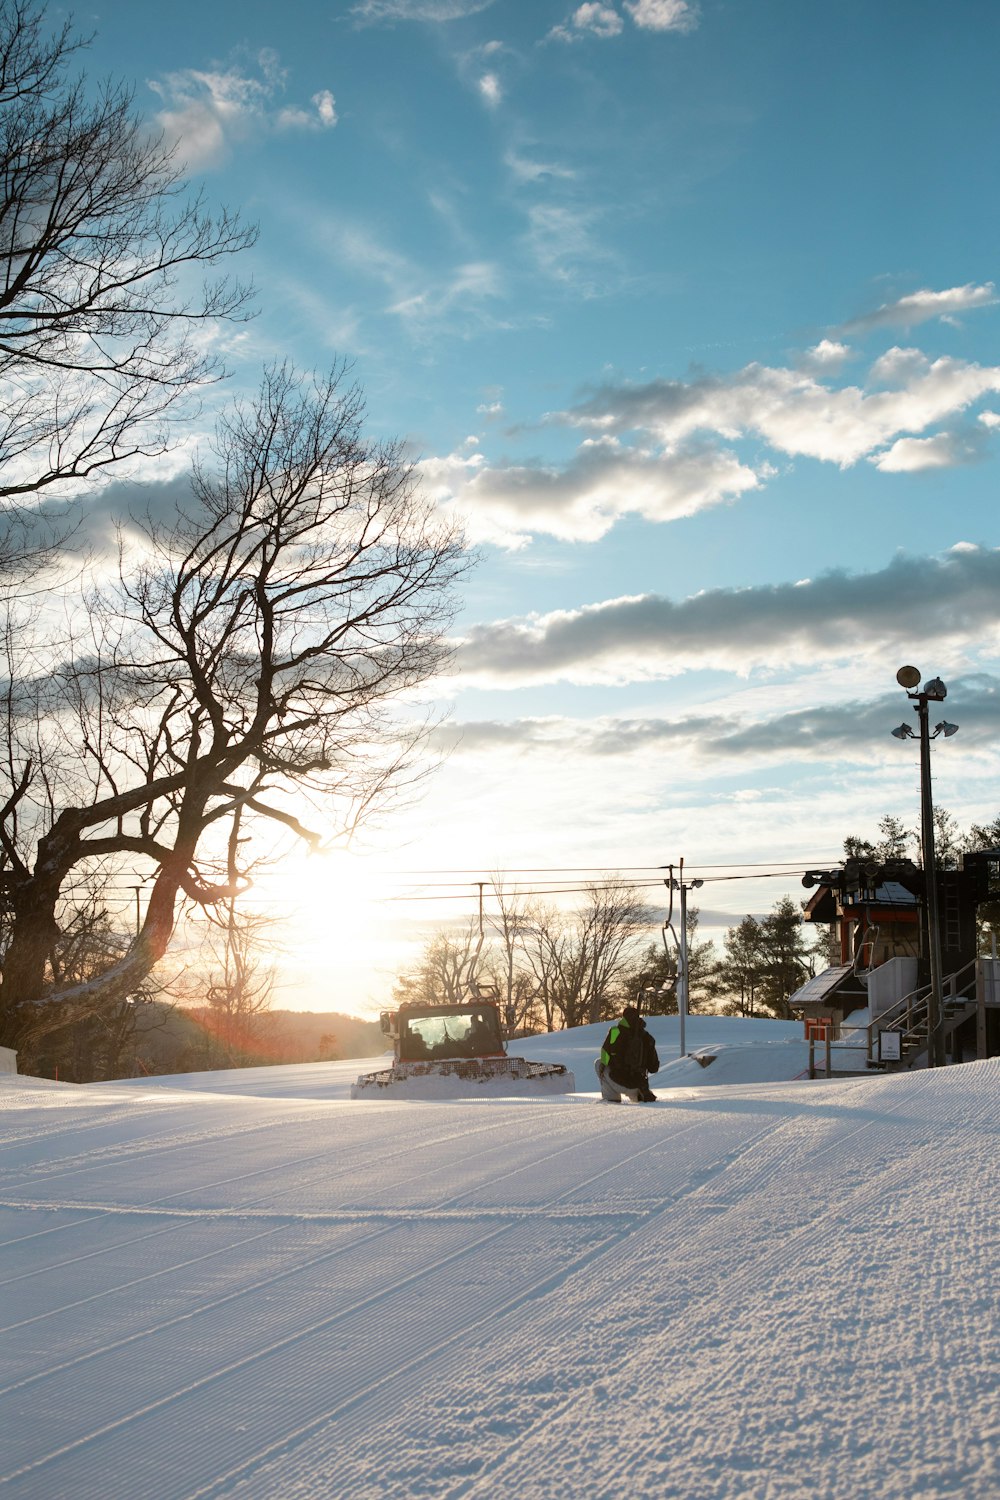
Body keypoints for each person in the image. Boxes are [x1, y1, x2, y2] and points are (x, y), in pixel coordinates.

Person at [595, 1005, 659, 1103]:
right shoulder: (648, 1037)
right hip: (639, 1085)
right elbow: (654, 1068)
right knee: (637, 1084)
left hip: (618, 1081)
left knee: (599, 1063)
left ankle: (612, 1099)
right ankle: (639, 1094)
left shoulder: (615, 1032)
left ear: (623, 1017)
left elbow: (604, 1058)